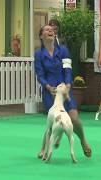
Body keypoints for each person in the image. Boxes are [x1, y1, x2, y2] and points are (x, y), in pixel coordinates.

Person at [34, 25, 91, 158]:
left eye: (52, 30)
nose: (51, 31)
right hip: (49, 92)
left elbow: (68, 69)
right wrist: (47, 86)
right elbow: (39, 74)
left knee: (74, 119)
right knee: (52, 122)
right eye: (47, 30)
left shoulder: (63, 50)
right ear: (41, 36)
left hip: (65, 89)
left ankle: (83, 141)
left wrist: (68, 85)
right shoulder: (38, 54)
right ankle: (44, 148)